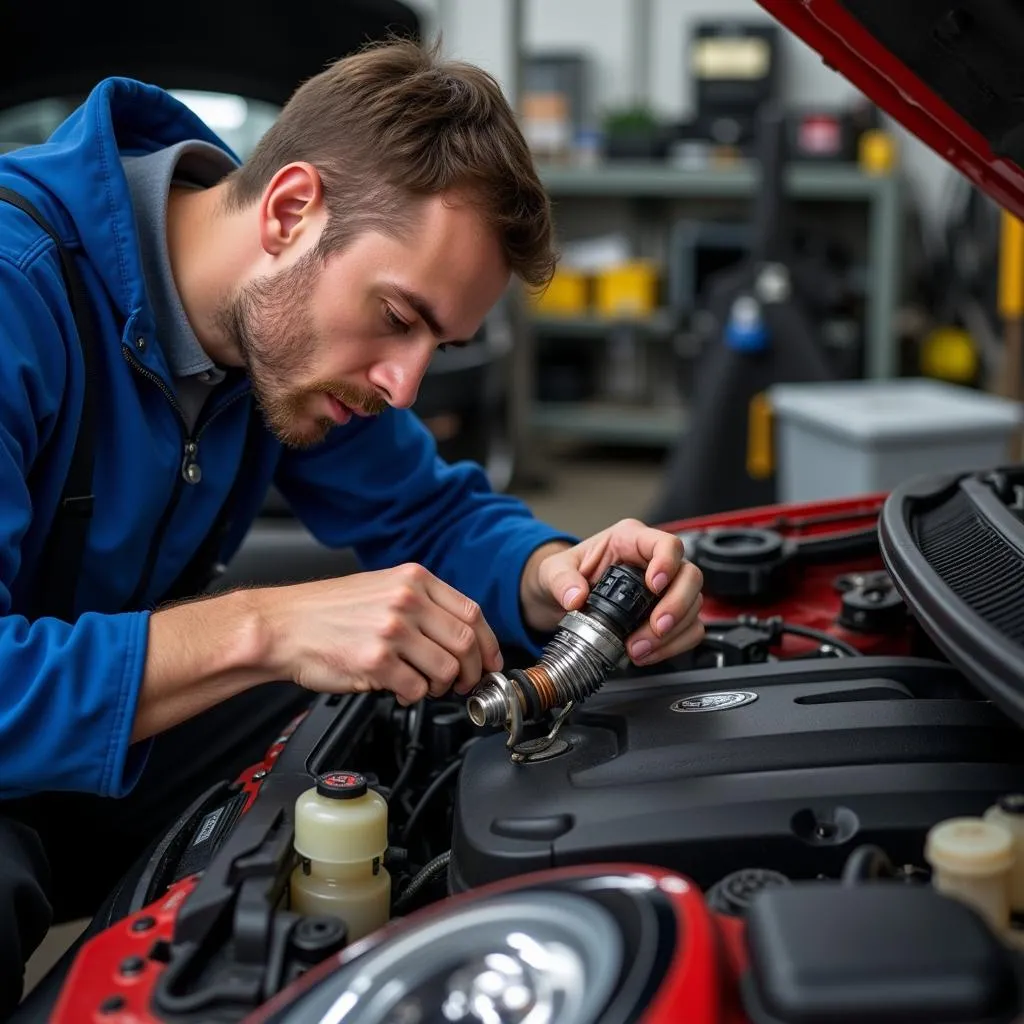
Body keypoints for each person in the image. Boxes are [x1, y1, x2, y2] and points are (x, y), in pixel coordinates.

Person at [0, 38, 705, 1013]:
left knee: (373, 701)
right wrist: (266, 626)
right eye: (397, 316)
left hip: (66, 734)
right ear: (292, 211)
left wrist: (552, 573)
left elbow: (428, 509)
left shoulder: (270, 334)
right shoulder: (15, 287)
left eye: (438, 344)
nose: (403, 384)